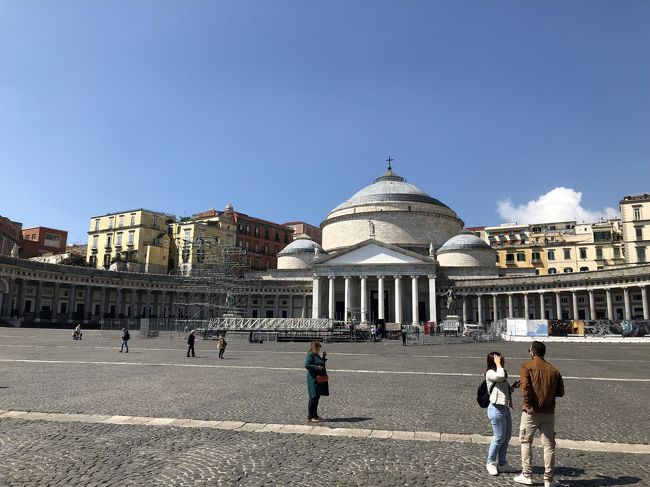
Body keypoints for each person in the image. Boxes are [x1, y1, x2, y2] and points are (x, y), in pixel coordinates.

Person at [514, 341, 565, 487]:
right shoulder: (554, 370)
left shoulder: (526, 366)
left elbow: (526, 388)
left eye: (529, 350)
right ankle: (549, 479)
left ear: (533, 352)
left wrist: (528, 404)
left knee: (526, 442)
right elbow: (560, 393)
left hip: (531, 412)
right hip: (549, 412)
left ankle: (527, 475)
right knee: (549, 446)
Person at [485, 352, 520, 476]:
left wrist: (514, 387)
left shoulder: (500, 373)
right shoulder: (490, 373)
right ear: (493, 361)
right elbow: (499, 376)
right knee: (499, 437)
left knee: (507, 435)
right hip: (495, 409)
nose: (502, 361)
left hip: (504, 408)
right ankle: (490, 462)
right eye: (500, 360)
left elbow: (503, 392)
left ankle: (502, 463)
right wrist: (498, 364)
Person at [304, 340, 328, 423]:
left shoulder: (316, 355)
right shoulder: (310, 354)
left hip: (318, 378)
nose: (319, 349)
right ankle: (310, 417)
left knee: (317, 397)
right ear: (315, 347)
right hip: (312, 378)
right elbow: (307, 365)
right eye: (318, 347)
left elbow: (320, 363)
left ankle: (315, 415)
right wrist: (317, 367)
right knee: (313, 397)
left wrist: (323, 358)